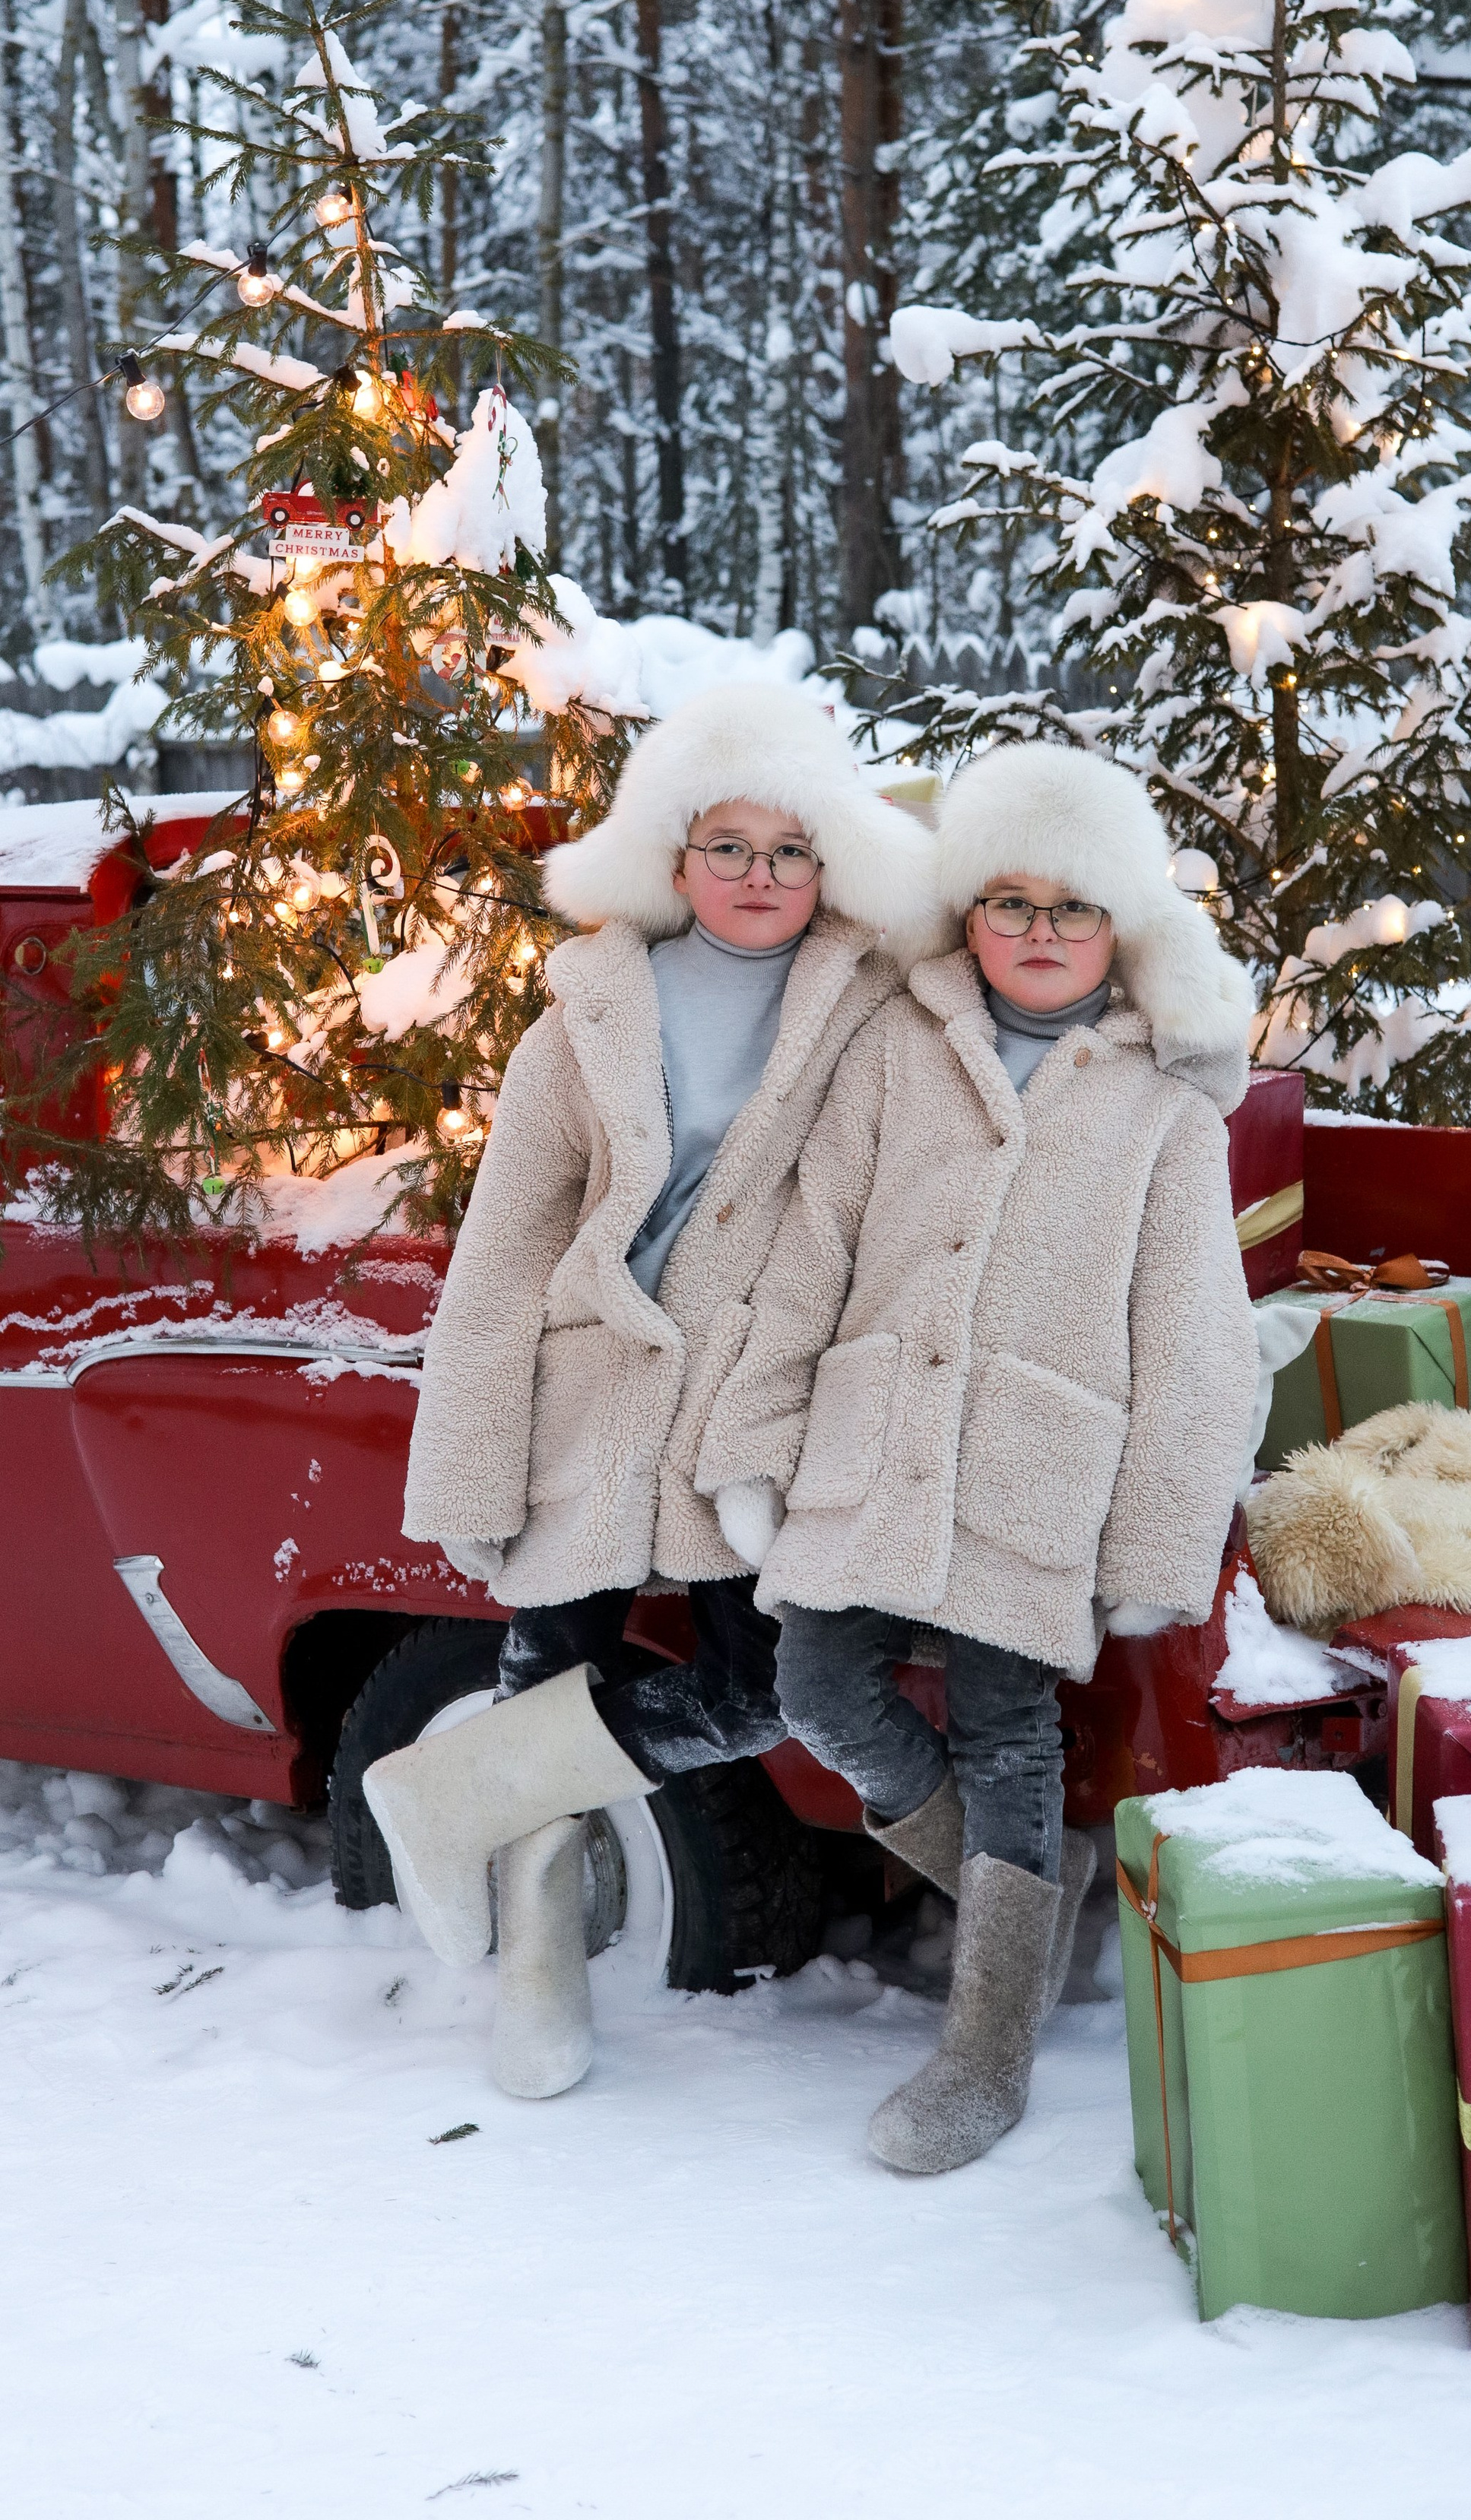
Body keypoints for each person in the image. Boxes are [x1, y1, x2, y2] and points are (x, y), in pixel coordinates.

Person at [365, 681, 938, 2100]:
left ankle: (453, 1789)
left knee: (762, 1680)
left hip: (753, 1394)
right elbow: (503, 1256)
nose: (759, 877)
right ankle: (538, 1961)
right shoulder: (586, 1019)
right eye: (727, 845)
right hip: (593, 1379)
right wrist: (471, 1458)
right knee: (549, 1651)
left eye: (792, 849)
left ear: (834, 866)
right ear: (672, 856)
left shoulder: (870, 1014)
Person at [695, 742, 1259, 2174]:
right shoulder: (899, 1044)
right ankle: (1033, 1906)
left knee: (1008, 1726)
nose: (1039, 932)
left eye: (1071, 907)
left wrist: (1156, 1541)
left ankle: (986, 2047)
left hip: (1036, 1461)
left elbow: (1196, 1343)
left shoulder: (1165, 1112)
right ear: (969, 911)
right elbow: (805, 1250)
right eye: (1008, 901)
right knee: (815, 1675)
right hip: (873, 1437)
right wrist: (757, 1432)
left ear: (1119, 923)